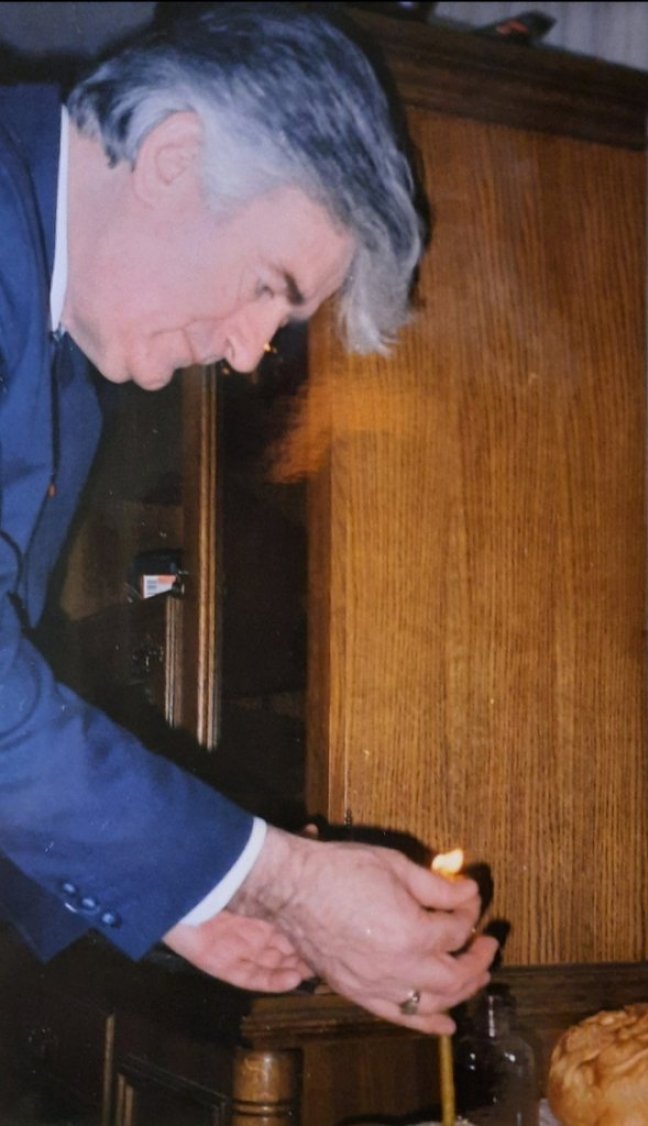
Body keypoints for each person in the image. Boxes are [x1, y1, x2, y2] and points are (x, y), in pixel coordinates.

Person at [0, 2, 497, 1036]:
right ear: (173, 157)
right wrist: (276, 877)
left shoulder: (67, 381)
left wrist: (191, 891)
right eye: (265, 288)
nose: (243, 352)